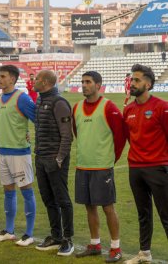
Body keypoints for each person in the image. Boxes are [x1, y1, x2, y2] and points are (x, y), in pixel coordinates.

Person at [72, 71, 126, 262]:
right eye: (82, 81)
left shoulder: (109, 107)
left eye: (88, 82)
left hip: (102, 167)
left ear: (98, 85)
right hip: (83, 166)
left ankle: (115, 247)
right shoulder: (76, 107)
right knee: (89, 207)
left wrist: (110, 159)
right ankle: (95, 244)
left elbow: (120, 137)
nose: (84, 85)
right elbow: (78, 133)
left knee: (108, 207)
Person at [123, 64, 168, 264]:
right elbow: (130, 138)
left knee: (166, 214)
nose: (132, 83)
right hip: (135, 168)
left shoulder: (162, 107)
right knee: (143, 213)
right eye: (132, 80)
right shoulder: (129, 109)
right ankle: (144, 253)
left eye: (137, 80)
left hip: (158, 168)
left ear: (148, 84)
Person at [0, 65, 37, 247]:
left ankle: (29, 234)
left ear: (12, 79)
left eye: (2, 76)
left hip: (19, 153)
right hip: (2, 151)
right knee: (8, 192)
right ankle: (9, 231)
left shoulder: (22, 98)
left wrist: (31, 137)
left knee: (26, 192)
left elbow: (37, 119)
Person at [33, 70, 74, 256]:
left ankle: (68, 239)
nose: (33, 81)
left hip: (54, 161)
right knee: (48, 199)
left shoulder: (59, 102)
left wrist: (59, 159)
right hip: (41, 158)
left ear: (46, 82)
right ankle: (55, 235)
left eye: (36, 79)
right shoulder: (40, 100)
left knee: (62, 200)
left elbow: (67, 135)